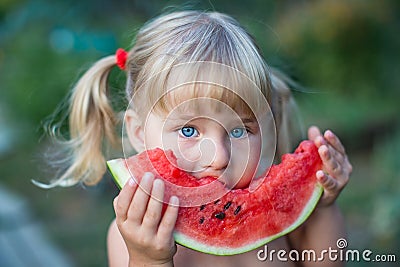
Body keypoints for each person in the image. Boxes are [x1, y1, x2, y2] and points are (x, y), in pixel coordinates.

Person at [46, 11, 352, 266]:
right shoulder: (134, 233)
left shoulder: (280, 215)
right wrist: (148, 258)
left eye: (239, 130)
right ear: (138, 133)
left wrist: (322, 206)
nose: (218, 157)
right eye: (189, 131)